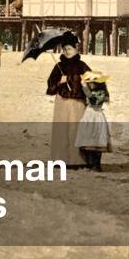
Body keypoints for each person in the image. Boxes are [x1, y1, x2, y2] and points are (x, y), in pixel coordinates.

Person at [46, 39, 92, 168]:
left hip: (78, 103)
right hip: (62, 102)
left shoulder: (82, 66)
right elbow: (50, 89)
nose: (67, 51)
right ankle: (60, 160)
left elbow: (94, 84)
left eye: (70, 49)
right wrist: (59, 82)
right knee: (61, 131)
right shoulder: (58, 67)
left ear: (76, 49)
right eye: (65, 49)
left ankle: (77, 161)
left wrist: (85, 84)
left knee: (76, 130)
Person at [76, 71, 111, 171]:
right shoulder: (93, 91)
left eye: (91, 82)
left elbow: (93, 101)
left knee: (97, 141)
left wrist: (85, 87)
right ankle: (89, 164)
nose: (90, 84)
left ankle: (97, 165)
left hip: (96, 116)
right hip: (88, 115)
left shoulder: (102, 93)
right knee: (87, 140)